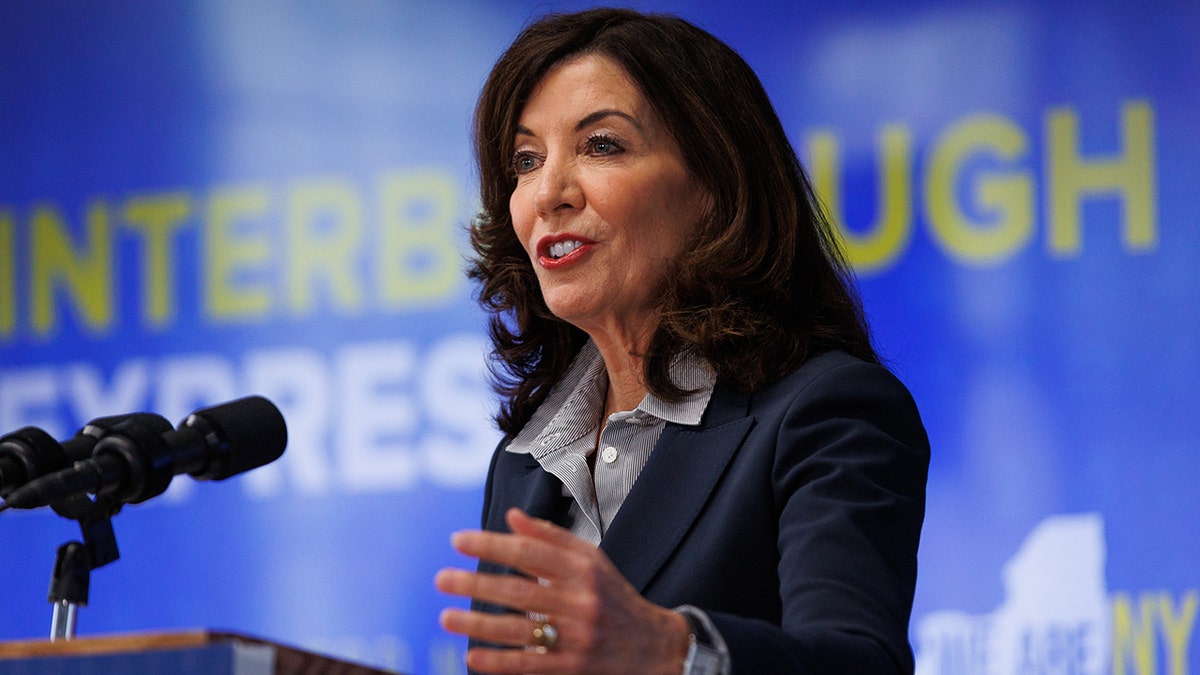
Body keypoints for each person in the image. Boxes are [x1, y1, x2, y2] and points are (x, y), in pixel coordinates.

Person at [434, 7, 929, 674]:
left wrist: (673, 650)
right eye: (526, 159)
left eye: (601, 144)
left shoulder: (827, 412)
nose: (547, 190)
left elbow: (859, 663)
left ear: (715, 190)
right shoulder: (525, 465)